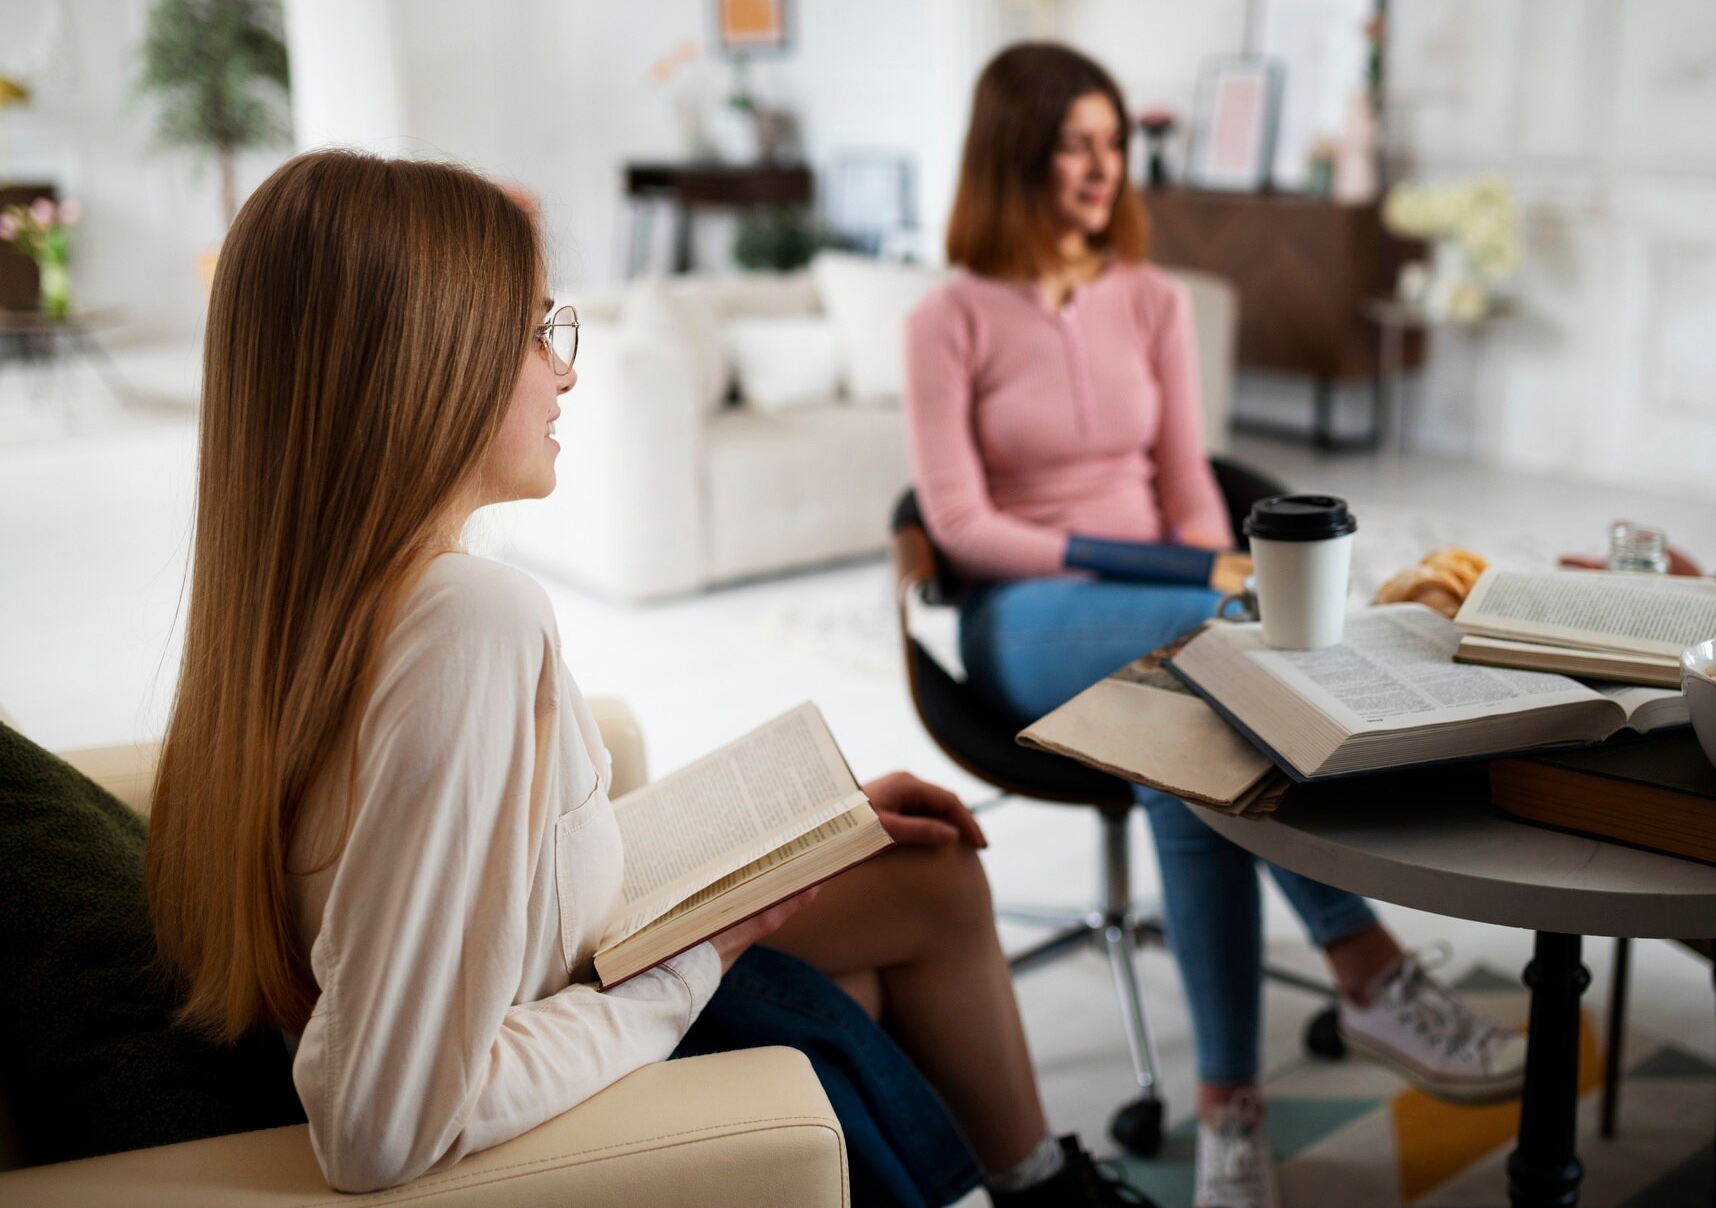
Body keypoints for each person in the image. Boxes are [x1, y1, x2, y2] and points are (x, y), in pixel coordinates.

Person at [142, 149, 1153, 1208]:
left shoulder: (292, 611)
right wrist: (692, 963)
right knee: (885, 950)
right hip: (556, 1016)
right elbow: (378, 1119)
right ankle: (1049, 1192)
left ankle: (1042, 1186)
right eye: (537, 331)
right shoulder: (468, 623)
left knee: (919, 879)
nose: (564, 369)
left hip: (549, 967)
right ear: (425, 361)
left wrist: (787, 839)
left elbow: (465, 859)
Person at [903, 43, 1527, 1208]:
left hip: (1168, 617)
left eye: (1111, 142)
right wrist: (1160, 566)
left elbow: (1187, 484)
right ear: (1011, 154)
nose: (1102, 166)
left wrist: (1211, 565)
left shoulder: (1151, 300)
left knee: (1181, 757)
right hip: (1019, 619)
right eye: (1073, 143)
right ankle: (1366, 963)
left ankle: (1227, 1109)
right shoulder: (946, 318)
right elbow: (959, 523)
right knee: (1219, 652)